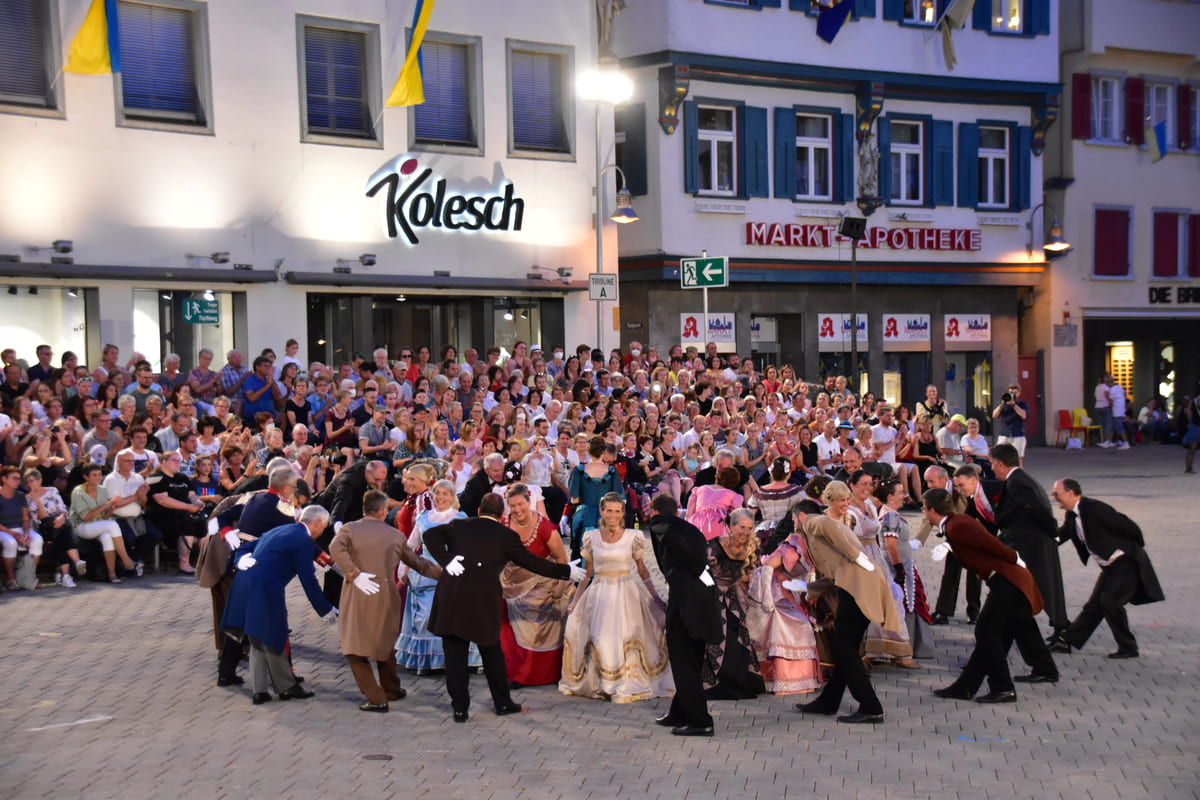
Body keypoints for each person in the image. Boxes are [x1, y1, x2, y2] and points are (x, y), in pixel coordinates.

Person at [423, 493, 581, 723]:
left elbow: (429, 535)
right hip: (483, 601)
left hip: (452, 598)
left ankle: (460, 709)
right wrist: (565, 571)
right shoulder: (506, 536)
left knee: (455, 654)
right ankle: (503, 703)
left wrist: (446, 560)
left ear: (479, 511)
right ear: (502, 514)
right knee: (491, 654)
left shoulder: (458, 525)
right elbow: (532, 562)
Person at [924, 488, 1058, 703]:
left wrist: (1014, 558)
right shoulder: (955, 524)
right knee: (1018, 626)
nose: (924, 513)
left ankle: (1002, 688)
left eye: (924, 509)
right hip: (1008, 580)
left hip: (1008, 581)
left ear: (932, 510)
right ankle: (966, 687)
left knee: (987, 633)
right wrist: (949, 546)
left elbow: (989, 543)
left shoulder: (957, 525)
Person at [794, 480, 900, 724]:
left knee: (844, 647)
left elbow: (842, 547)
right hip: (855, 586)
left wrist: (857, 558)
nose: (794, 525)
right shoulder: (830, 524)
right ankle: (829, 701)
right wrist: (809, 589)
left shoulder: (814, 521)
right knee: (846, 646)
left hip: (858, 588)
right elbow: (837, 571)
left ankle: (871, 706)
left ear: (800, 516)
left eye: (793, 520)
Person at [331, 490, 444, 712]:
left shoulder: (349, 530)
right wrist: (445, 572)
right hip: (386, 595)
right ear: (383, 510)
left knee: (354, 649)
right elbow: (418, 563)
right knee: (384, 645)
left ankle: (376, 698)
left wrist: (353, 572)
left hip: (358, 594)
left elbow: (335, 547)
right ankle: (391, 689)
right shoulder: (395, 536)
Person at [560, 492, 673, 704]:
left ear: (622, 513)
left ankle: (624, 681)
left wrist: (656, 598)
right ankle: (603, 682)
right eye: (609, 511)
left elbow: (642, 570)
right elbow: (587, 572)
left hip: (625, 591)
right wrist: (575, 600)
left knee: (625, 636)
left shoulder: (633, 537)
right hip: (599, 593)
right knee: (600, 636)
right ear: (602, 512)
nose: (613, 515)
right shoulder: (591, 537)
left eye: (617, 511)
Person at [221, 505, 337, 705]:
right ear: (317, 523)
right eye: (324, 526)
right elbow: (308, 580)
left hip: (243, 582)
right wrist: (325, 609)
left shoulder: (282, 529)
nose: (323, 530)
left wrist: (240, 561)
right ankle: (286, 687)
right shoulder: (303, 540)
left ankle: (260, 690)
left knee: (257, 636)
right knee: (275, 634)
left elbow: (245, 547)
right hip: (265, 589)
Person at [1047, 479, 1163, 662]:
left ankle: (1128, 647)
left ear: (1070, 493)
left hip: (1125, 561)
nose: (1054, 498)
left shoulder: (1095, 508)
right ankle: (1066, 641)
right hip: (1110, 566)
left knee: (1110, 602)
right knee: (1094, 606)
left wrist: (1130, 549)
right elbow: (1062, 535)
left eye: (1057, 494)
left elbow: (1130, 527)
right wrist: (1040, 546)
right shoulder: (1072, 514)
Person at [646, 493, 721, 737]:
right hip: (704, 598)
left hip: (686, 602)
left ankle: (700, 721)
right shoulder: (692, 529)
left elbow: (663, 528)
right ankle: (678, 713)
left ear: (654, 511)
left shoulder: (661, 523)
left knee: (683, 661)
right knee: (691, 660)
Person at [396, 479, 478, 673]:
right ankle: (426, 659)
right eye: (437, 493)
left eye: (445, 493)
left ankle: (456, 659)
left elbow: (470, 547)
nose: (440, 497)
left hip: (452, 571)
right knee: (426, 615)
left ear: (452, 496)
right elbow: (409, 546)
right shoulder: (423, 517)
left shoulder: (461, 518)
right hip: (426, 572)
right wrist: (402, 568)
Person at [989, 443, 1069, 637]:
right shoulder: (1019, 478)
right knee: (1038, 587)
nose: (991, 468)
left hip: (1033, 545)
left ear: (1000, 464)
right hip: (1030, 541)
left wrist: (1053, 532)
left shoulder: (1017, 482)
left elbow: (1038, 508)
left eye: (992, 463)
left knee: (1044, 588)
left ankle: (1063, 631)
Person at [747, 499, 823, 695]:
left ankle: (788, 678)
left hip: (785, 589)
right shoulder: (804, 541)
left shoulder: (802, 541)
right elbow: (773, 567)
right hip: (785, 589)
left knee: (790, 624)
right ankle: (789, 679)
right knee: (794, 624)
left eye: (794, 519)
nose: (794, 522)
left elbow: (778, 566)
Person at [499, 483, 571, 687]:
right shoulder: (504, 524)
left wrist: (559, 587)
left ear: (529, 502)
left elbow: (562, 560)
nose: (517, 510)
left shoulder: (545, 527)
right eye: (512, 506)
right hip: (511, 582)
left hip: (542, 581)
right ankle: (511, 671)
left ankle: (533, 674)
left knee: (535, 620)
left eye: (520, 504)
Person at [846, 469, 917, 668]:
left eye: (870, 484)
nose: (867, 488)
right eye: (863, 484)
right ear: (852, 486)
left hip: (875, 555)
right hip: (861, 556)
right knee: (870, 603)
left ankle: (894, 650)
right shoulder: (849, 510)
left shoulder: (870, 505)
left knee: (892, 599)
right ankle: (869, 651)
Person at [702, 509, 765, 700]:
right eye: (741, 527)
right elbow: (701, 573)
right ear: (730, 526)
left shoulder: (753, 548)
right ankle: (717, 683)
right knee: (721, 637)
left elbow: (756, 576)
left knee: (739, 638)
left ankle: (737, 681)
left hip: (738, 600)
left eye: (749, 528)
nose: (746, 532)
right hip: (712, 598)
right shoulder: (713, 546)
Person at [875, 480, 934, 659]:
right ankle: (905, 646)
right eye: (900, 492)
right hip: (897, 566)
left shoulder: (888, 514)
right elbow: (891, 545)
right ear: (890, 497)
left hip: (899, 563)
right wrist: (899, 569)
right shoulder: (891, 517)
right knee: (906, 602)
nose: (904, 496)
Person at [69, 463, 138, 583]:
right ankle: (126, 560)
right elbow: (86, 517)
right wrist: (107, 504)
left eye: (100, 474)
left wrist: (111, 507)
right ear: (86, 477)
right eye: (94, 475)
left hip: (98, 524)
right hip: (81, 526)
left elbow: (104, 517)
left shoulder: (103, 490)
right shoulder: (78, 492)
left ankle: (112, 574)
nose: (98, 477)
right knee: (112, 525)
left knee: (107, 537)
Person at [566, 436, 623, 561]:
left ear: (588, 450)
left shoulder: (579, 471)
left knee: (582, 553)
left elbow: (574, 499)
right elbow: (618, 497)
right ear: (604, 451)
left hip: (585, 516)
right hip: (607, 517)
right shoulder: (612, 471)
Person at [747, 457, 804, 553]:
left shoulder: (760, 492)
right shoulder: (797, 491)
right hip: (788, 532)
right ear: (789, 473)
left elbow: (748, 514)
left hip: (764, 533)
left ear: (771, 472)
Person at [686, 466, 744, 541]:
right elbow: (739, 515)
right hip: (719, 525)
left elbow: (690, 511)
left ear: (717, 477)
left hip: (697, 523)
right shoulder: (733, 495)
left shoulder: (699, 489)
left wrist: (689, 520)